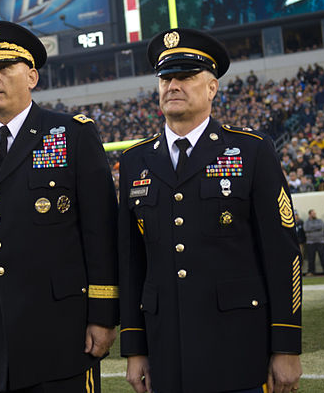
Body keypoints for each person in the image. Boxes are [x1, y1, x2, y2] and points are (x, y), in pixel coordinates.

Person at [118, 28, 301, 393]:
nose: (173, 85)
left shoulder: (252, 151)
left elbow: (282, 255)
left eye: (185, 77)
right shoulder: (134, 161)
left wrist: (286, 346)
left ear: (212, 87)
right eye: (166, 77)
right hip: (165, 350)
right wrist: (135, 349)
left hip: (237, 348)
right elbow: (131, 263)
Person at [0, 21, 119, 392]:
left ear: (32, 76)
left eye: (4, 68)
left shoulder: (72, 134)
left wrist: (103, 316)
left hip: (60, 334)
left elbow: (100, 234)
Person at [303, 209, 324, 276]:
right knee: (311, 258)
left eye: (315, 213)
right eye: (313, 213)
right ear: (310, 214)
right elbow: (306, 229)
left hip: (320, 241)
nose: (314, 214)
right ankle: (311, 271)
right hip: (310, 242)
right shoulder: (306, 222)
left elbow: (321, 226)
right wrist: (316, 228)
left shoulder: (319, 221)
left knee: (323, 257)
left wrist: (312, 229)